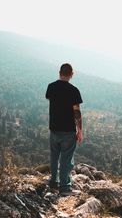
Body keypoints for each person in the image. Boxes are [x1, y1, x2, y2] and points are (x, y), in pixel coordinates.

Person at [45, 63, 83, 196]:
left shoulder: (51, 87)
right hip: (68, 130)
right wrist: (80, 130)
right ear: (72, 74)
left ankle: (53, 183)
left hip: (54, 128)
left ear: (59, 72)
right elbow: (77, 112)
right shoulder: (74, 90)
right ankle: (65, 187)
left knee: (54, 156)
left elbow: (51, 99)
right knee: (66, 159)